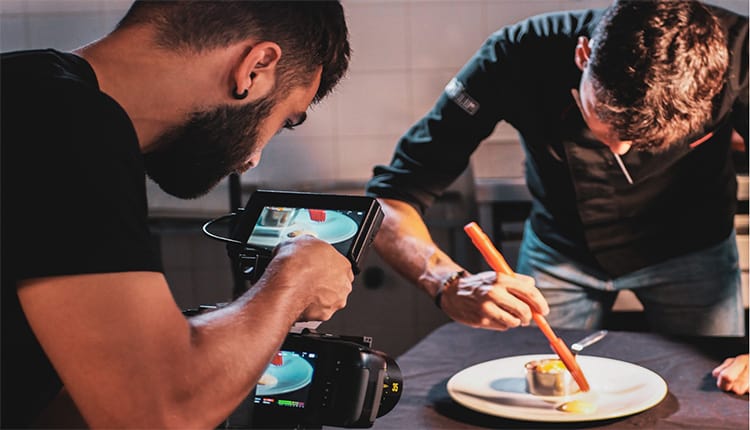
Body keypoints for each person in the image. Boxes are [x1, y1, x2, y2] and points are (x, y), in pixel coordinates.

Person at [366, 0, 749, 395]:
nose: (619, 149)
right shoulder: (516, 55)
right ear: (583, 55)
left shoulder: (744, 52)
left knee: (716, 392)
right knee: (530, 392)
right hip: (559, 252)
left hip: (694, 247)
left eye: (643, 140)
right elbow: (390, 198)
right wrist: (446, 282)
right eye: (602, 117)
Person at [1, 1, 353, 428]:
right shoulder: (73, 125)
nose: (254, 159)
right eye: (283, 120)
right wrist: (294, 280)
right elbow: (155, 416)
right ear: (255, 67)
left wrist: (195, 344)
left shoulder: (25, 87)